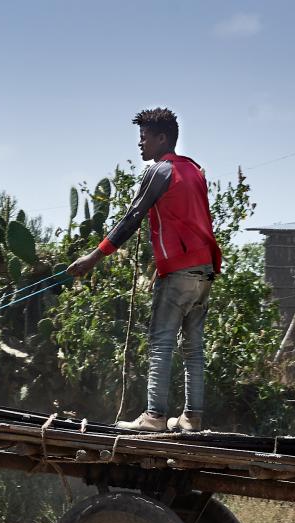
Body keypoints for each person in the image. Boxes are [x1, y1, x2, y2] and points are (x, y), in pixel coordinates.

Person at [67, 108, 222, 432]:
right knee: (193, 346)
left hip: (180, 271)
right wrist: (163, 266)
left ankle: (153, 417)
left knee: (161, 341)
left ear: (162, 138)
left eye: (144, 138)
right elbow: (190, 221)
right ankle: (192, 418)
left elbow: (132, 217)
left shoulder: (160, 170)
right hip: (204, 269)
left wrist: (94, 257)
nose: (140, 145)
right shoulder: (194, 170)